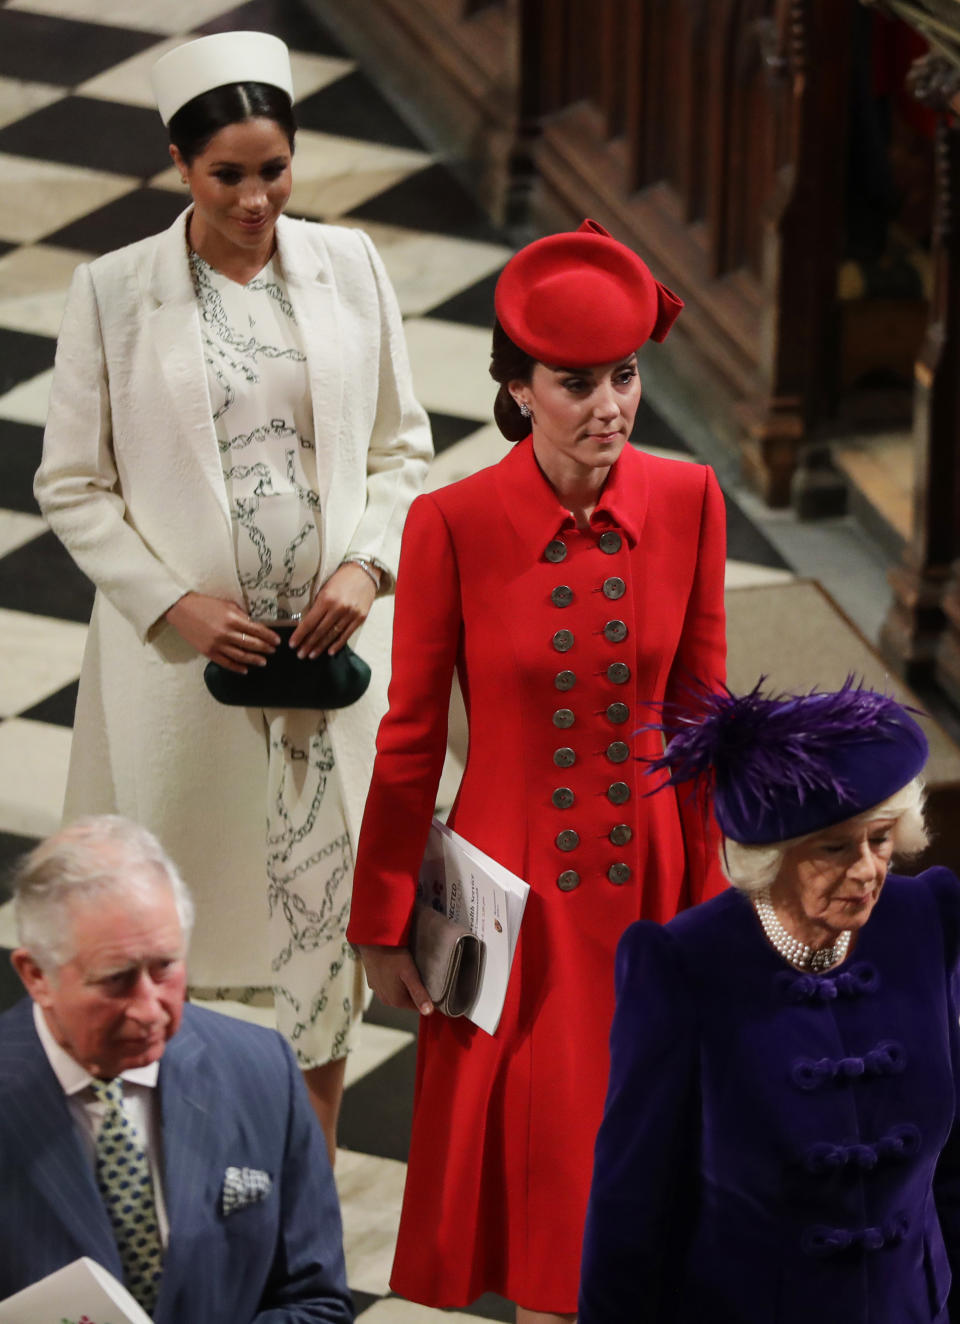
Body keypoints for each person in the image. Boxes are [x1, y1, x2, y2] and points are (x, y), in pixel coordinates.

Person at [33, 31, 432, 1158]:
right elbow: (69, 482)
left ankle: (305, 1177)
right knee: (182, 923)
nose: (256, 198)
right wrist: (174, 601)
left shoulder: (350, 265)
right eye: (228, 175)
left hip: (332, 663)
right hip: (187, 675)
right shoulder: (113, 292)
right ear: (178, 164)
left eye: (274, 169)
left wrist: (367, 564)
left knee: (323, 916)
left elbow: (406, 445)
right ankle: (181, 1173)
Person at [346, 219, 728, 1321]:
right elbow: (411, 738)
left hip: (652, 887)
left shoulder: (691, 498)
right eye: (574, 383)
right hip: (519, 906)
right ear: (517, 391)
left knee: (654, 1174)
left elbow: (702, 719)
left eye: (624, 375)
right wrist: (382, 921)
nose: (608, 406)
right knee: (546, 1191)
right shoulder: (449, 525)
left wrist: (709, 913)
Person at [579, 679, 960, 1323]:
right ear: (770, 854)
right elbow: (631, 1213)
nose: (867, 868)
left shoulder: (928, 921)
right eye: (835, 847)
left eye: (881, 838)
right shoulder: (683, 968)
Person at [0, 815, 353, 1324]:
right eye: (116, 980)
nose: (149, 1009)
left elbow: (316, 1302)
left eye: (164, 968)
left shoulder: (261, 1071)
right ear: (37, 976)